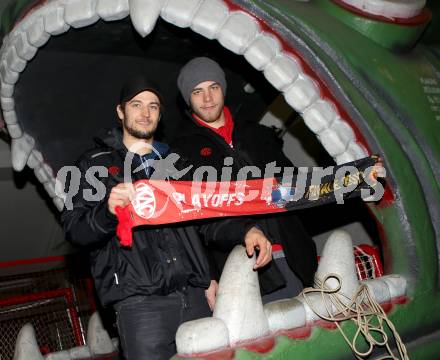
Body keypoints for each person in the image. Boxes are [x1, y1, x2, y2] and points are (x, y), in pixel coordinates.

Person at [61, 76, 273, 360]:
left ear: (160, 116)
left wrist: (246, 230)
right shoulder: (92, 164)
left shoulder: (176, 163)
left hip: (195, 298)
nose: (145, 113)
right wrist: (107, 212)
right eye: (136, 105)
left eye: (153, 106)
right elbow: (75, 230)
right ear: (121, 111)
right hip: (141, 307)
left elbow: (206, 219)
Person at [172, 57, 318, 303]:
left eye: (213, 88)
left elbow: (295, 186)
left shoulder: (257, 134)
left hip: (295, 258)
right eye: (198, 92)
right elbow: (198, 221)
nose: (207, 99)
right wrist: (243, 230)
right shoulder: (181, 152)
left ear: (223, 90)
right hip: (242, 270)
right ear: (188, 98)